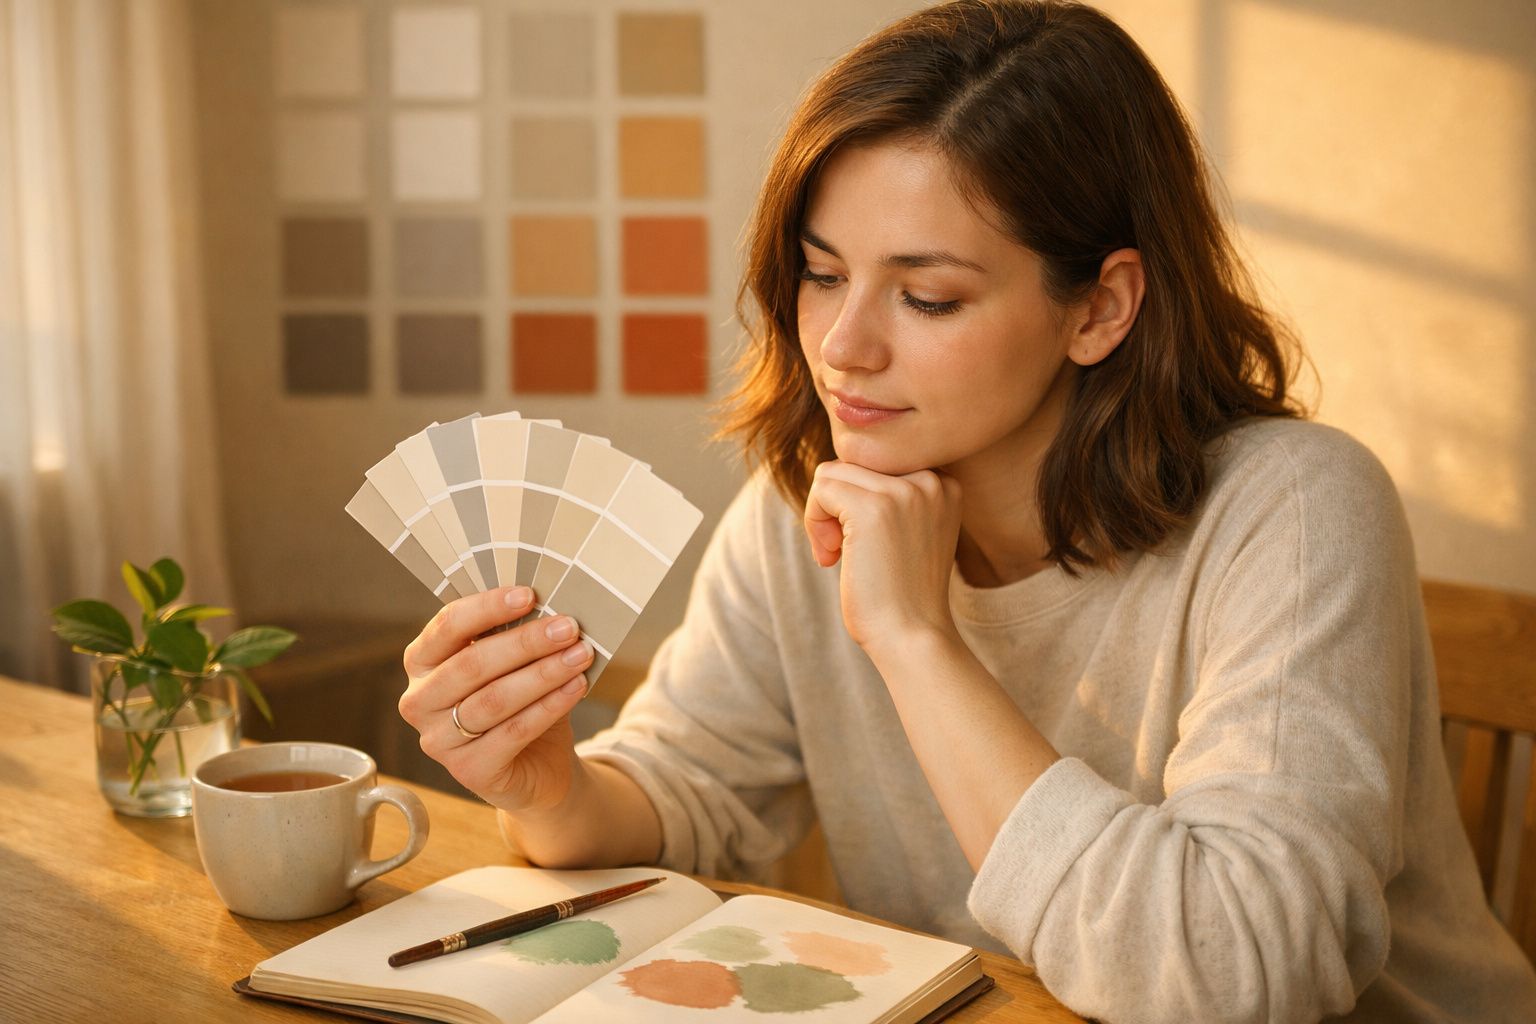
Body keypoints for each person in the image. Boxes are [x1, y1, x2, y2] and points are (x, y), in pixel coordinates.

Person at [396, 2, 1536, 1020]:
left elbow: (1235, 975)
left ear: (1101, 307)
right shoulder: (806, 500)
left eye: (929, 295)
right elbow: (697, 786)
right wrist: (553, 787)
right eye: (822, 272)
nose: (843, 348)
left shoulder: (1295, 510)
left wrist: (912, 637)